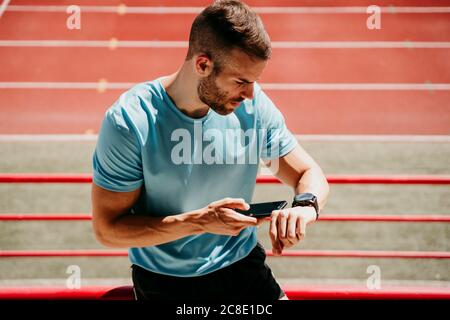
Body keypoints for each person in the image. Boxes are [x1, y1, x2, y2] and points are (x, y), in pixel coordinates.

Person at [91, 0, 329, 300]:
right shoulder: (131, 120)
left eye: (255, 82)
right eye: (241, 81)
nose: (250, 94)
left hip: (243, 269)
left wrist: (305, 206)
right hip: (164, 283)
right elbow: (107, 229)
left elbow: (309, 173)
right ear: (203, 65)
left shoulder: (252, 107)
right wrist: (199, 222)